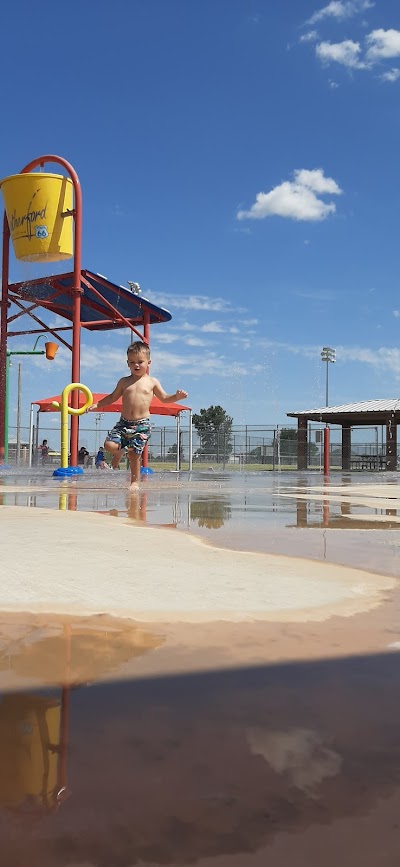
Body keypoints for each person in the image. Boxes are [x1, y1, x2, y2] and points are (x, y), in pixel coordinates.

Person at [89, 341, 188, 490]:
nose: (136, 365)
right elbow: (112, 397)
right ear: (127, 363)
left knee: (134, 455)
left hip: (142, 425)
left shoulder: (152, 382)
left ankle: (134, 482)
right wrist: (98, 404)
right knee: (108, 445)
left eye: (140, 362)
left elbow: (165, 398)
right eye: (132, 362)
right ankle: (119, 451)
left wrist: (176, 397)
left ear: (149, 362)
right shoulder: (124, 382)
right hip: (123, 423)